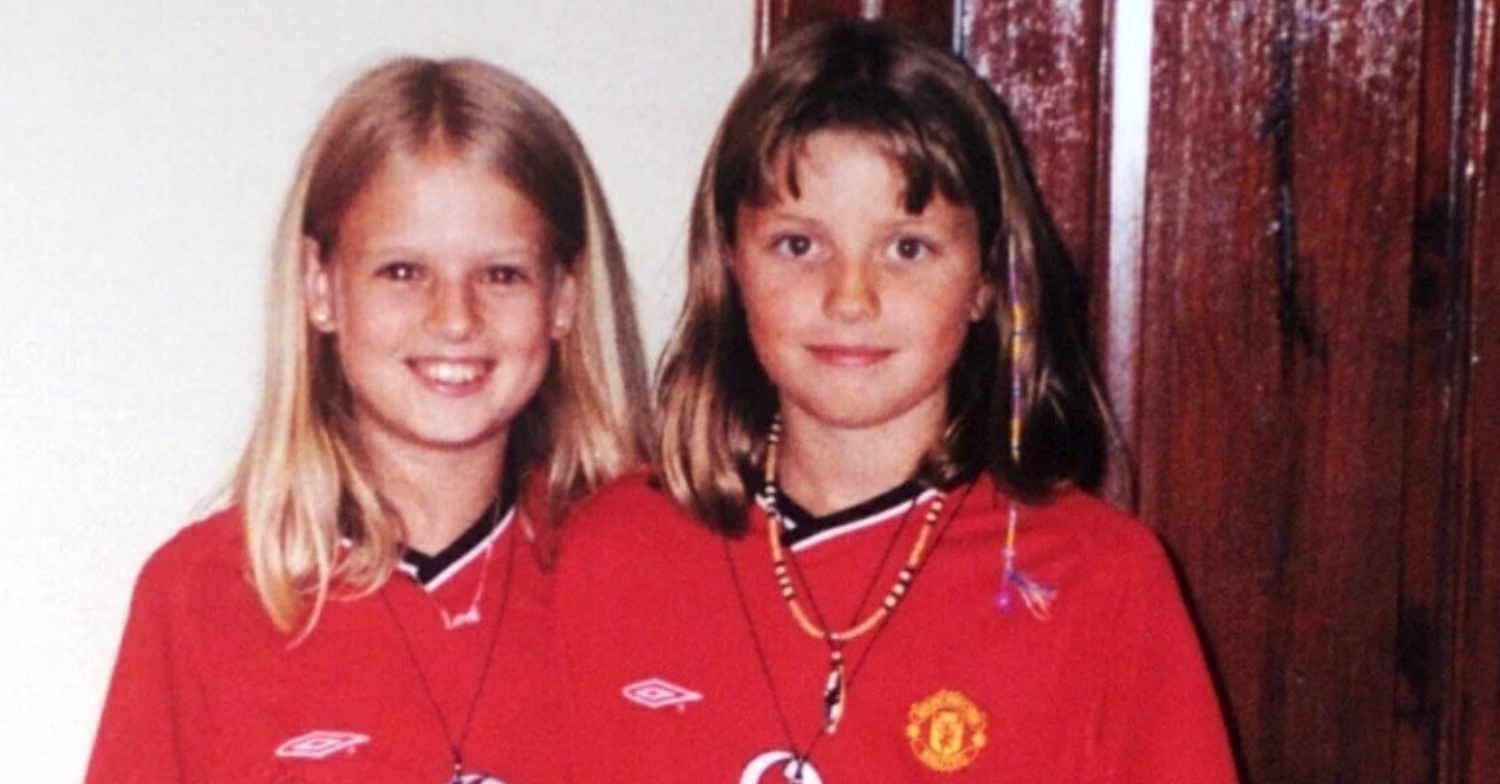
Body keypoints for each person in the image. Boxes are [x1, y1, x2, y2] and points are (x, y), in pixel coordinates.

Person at [556, 20, 1238, 783]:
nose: (851, 298)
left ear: (986, 278)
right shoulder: (612, 550)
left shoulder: (1101, 581)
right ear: (730, 261)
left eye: (908, 248)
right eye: (798, 244)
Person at [85, 56, 649, 784]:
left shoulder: (636, 583)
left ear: (564, 297)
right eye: (403, 272)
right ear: (322, 287)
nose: (454, 318)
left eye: (501, 274)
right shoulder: (203, 593)